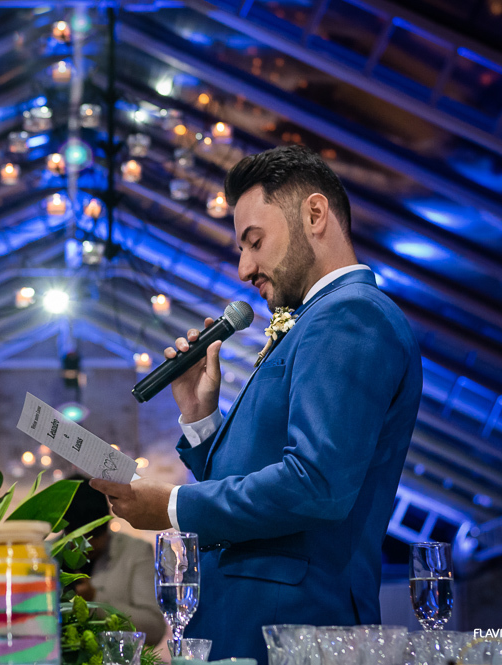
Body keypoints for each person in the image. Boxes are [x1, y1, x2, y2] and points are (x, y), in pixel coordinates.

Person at [92, 146, 421, 662]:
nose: (244, 268)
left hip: (298, 629)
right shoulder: (316, 321)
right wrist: (201, 418)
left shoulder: (350, 314)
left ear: (315, 215)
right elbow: (262, 471)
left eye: (254, 242)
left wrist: (173, 507)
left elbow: (316, 484)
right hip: (257, 625)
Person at [63, 477, 166, 646]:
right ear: (66, 532)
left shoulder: (136, 552)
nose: (89, 545)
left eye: (96, 535)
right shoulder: (46, 557)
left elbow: (154, 629)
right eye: (81, 540)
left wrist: (95, 600)